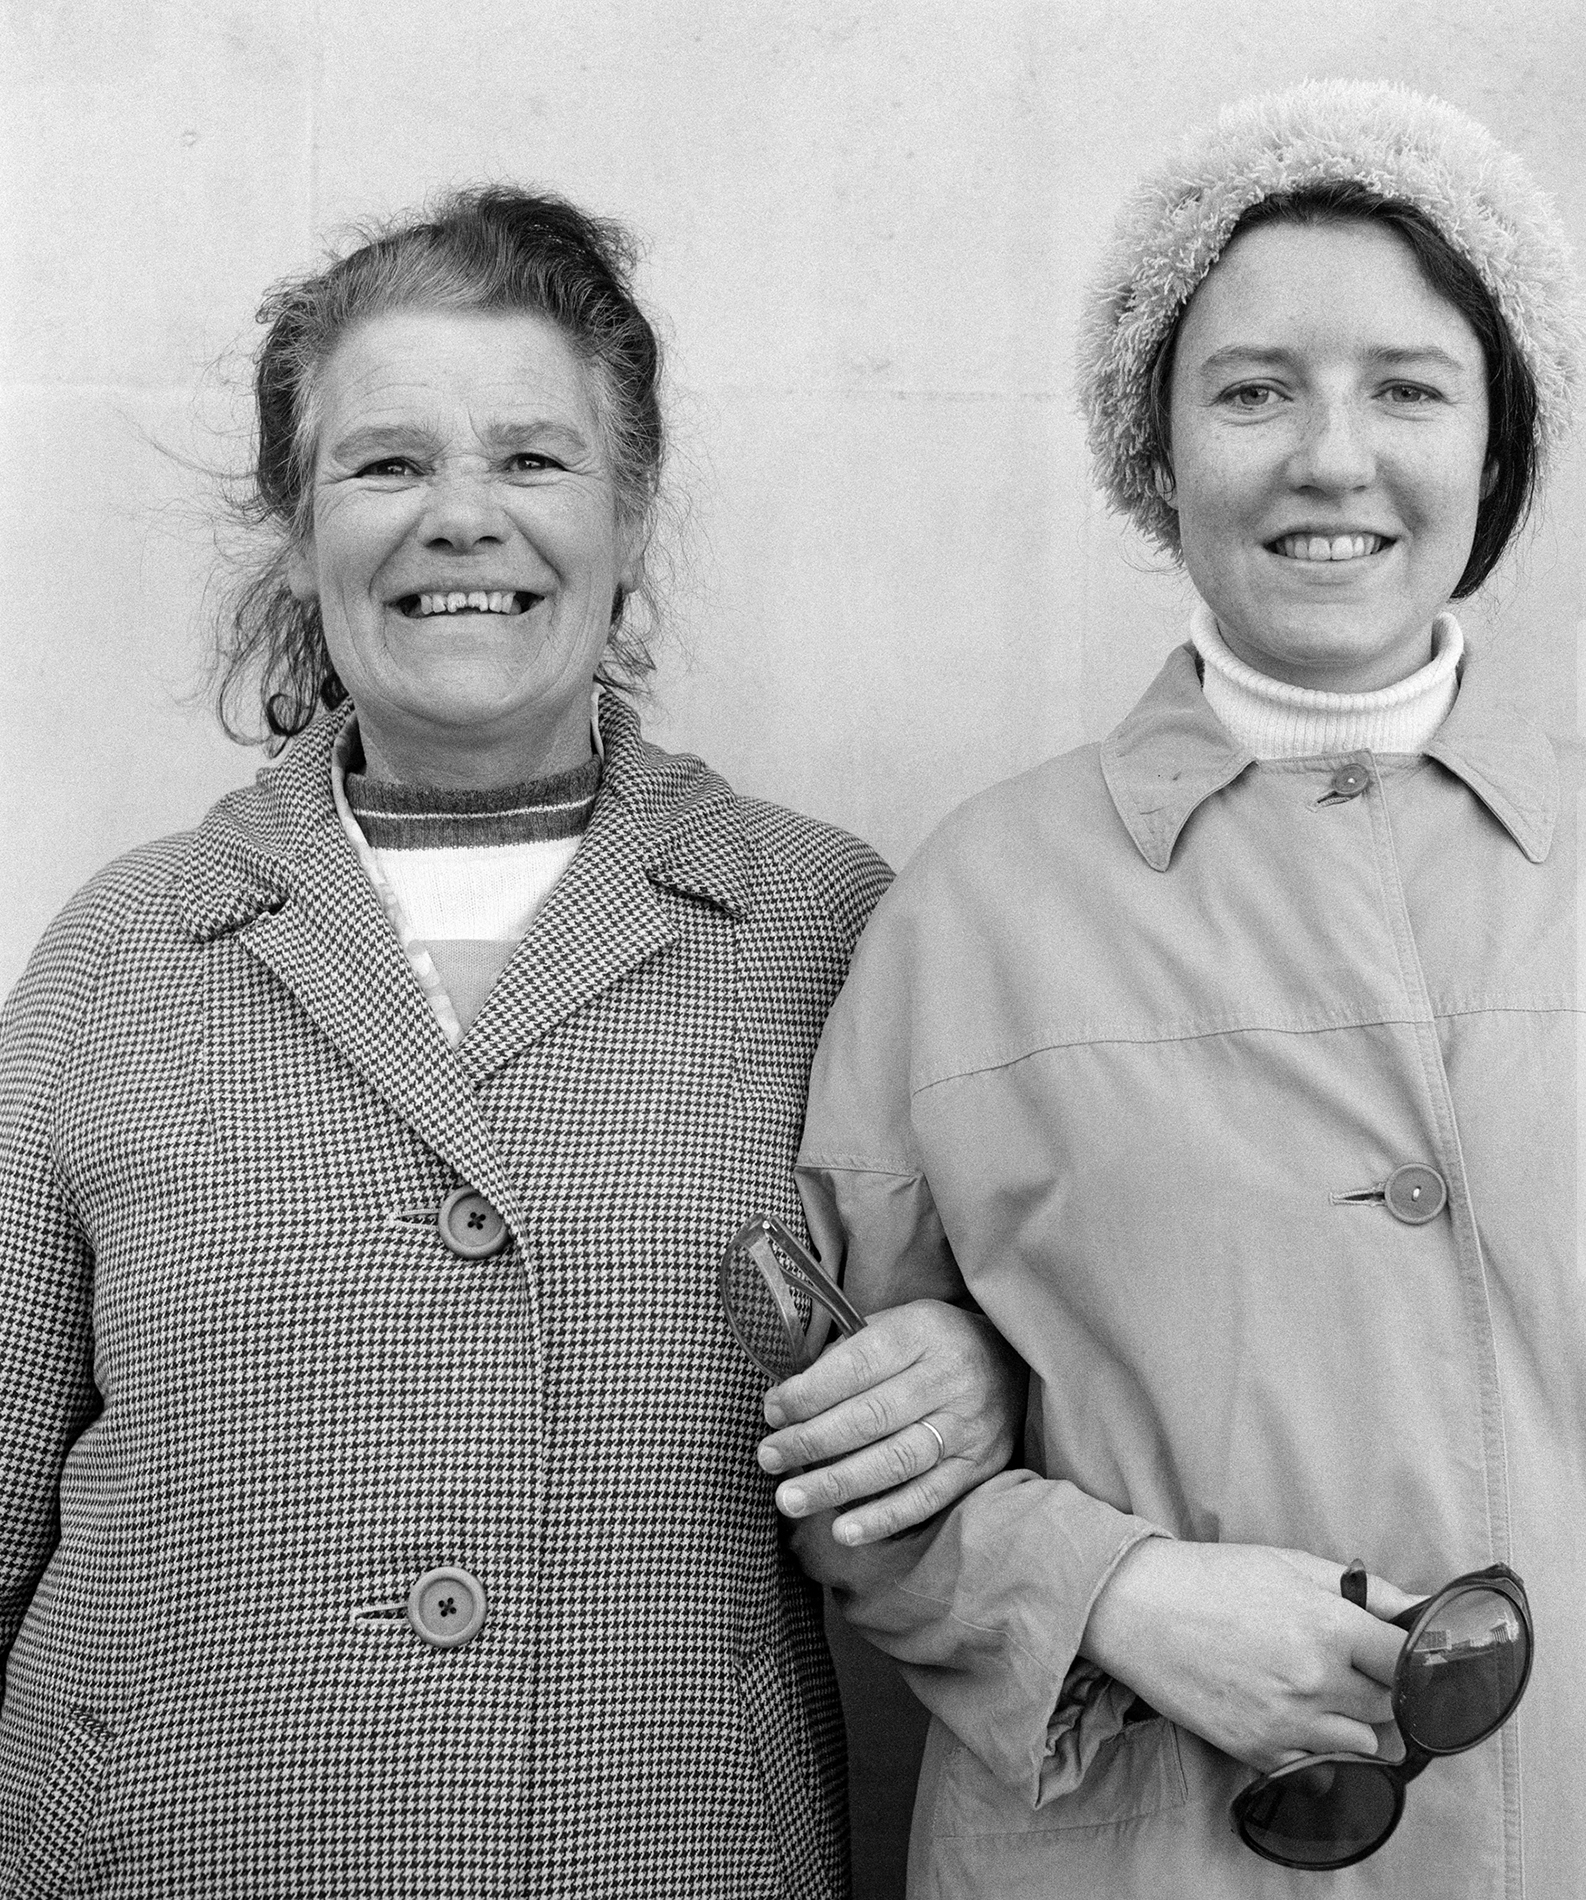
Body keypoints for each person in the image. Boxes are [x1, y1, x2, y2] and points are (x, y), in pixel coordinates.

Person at [792, 81, 1586, 1898]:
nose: (1330, 456)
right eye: (1252, 389)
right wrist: (1111, 1593)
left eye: (1407, 387)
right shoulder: (976, 903)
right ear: (1153, 451)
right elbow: (849, 1474)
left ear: (1496, 445)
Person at [0, 187, 1023, 1896]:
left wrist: (985, 1378)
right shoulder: (122, 955)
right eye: (387, 464)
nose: (461, 519)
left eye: (533, 463)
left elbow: (1059, 1337)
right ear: (297, 522)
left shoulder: (834, 930)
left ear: (631, 515)